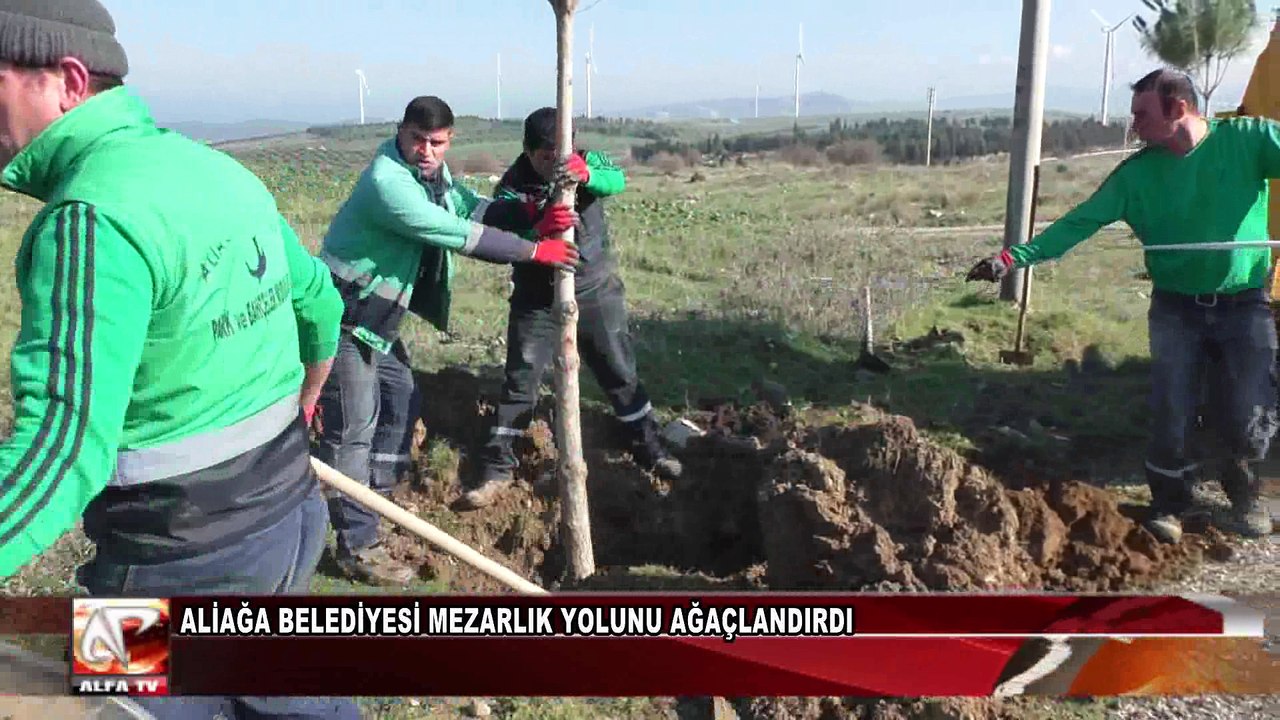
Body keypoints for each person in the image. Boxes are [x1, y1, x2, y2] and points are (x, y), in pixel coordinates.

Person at [0, 1, 360, 718]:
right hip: (288, 520)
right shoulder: (212, 169)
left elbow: (61, 448)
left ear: (66, 81)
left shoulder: (89, 217)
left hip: (163, 565)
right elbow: (319, 305)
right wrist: (307, 399)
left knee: (122, 709)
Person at [966, 68, 1278, 544]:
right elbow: (1078, 223)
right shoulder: (1136, 175)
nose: (1133, 126)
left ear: (1179, 108)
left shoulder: (1249, 141)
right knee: (1173, 407)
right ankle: (1172, 503)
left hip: (1246, 306)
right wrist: (1011, 259)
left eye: (1141, 114)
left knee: (1247, 411)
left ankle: (1245, 494)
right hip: (1177, 311)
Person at [315, 96, 580, 584]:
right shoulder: (386, 183)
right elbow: (455, 232)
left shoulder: (435, 176)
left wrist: (532, 219)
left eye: (437, 143)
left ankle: (380, 497)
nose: (426, 151)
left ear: (449, 141)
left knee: (401, 396)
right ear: (401, 132)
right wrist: (535, 250)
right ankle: (356, 544)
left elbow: (472, 208)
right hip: (343, 317)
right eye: (418, 139)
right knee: (353, 427)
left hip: (376, 323)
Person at [458, 107, 682, 511]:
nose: (553, 161)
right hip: (537, 299)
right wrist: (539, 223)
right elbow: (505, 225)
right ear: (527, 151)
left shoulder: (586, 160)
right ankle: (497, 467)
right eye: (544, 155)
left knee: (619, 370)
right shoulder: (511, 186)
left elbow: (617, 181)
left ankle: (650, 447)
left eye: (560, 150)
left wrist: (586, 174)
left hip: (595, 291)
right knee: (520, 380)